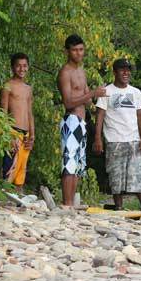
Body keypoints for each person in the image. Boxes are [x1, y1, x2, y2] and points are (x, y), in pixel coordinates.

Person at [94, 58, 141, 211]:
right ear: (115, 72)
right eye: (122, 69)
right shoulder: (107, 92)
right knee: (116, 177)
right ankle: (119, 207)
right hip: (114, 141)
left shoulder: (136, 92)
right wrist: (97, 138)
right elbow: (100, 115)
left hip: (134, 141)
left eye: (128, 69)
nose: (126, 72)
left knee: (138, 177)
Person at [57, 34, 106, 206]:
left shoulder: (81, 71)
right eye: (75, 50)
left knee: (78, 165)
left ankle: (71, 203)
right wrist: (92, 93)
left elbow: (87, 100)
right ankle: (67, 203)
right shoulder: (65, 72)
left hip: (82, 122)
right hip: (71, 120)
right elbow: (68, 102)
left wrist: (100, 103)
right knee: (69, 163)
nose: (79, 53)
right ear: (67, 51)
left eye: (81, 49)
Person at [0, 53, 35, 193]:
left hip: (26, 134)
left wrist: (32, 135)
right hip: (12, 131)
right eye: (18, 66)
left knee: (22, 168)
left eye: (25, 66)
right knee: (10, 167)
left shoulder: (28, 89)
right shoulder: (7, 86)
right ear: (13, 67)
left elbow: (29, 113)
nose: (22, 69)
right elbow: (2, 112)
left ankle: (18, 196)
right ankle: (4, 196)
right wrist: (8, 135)